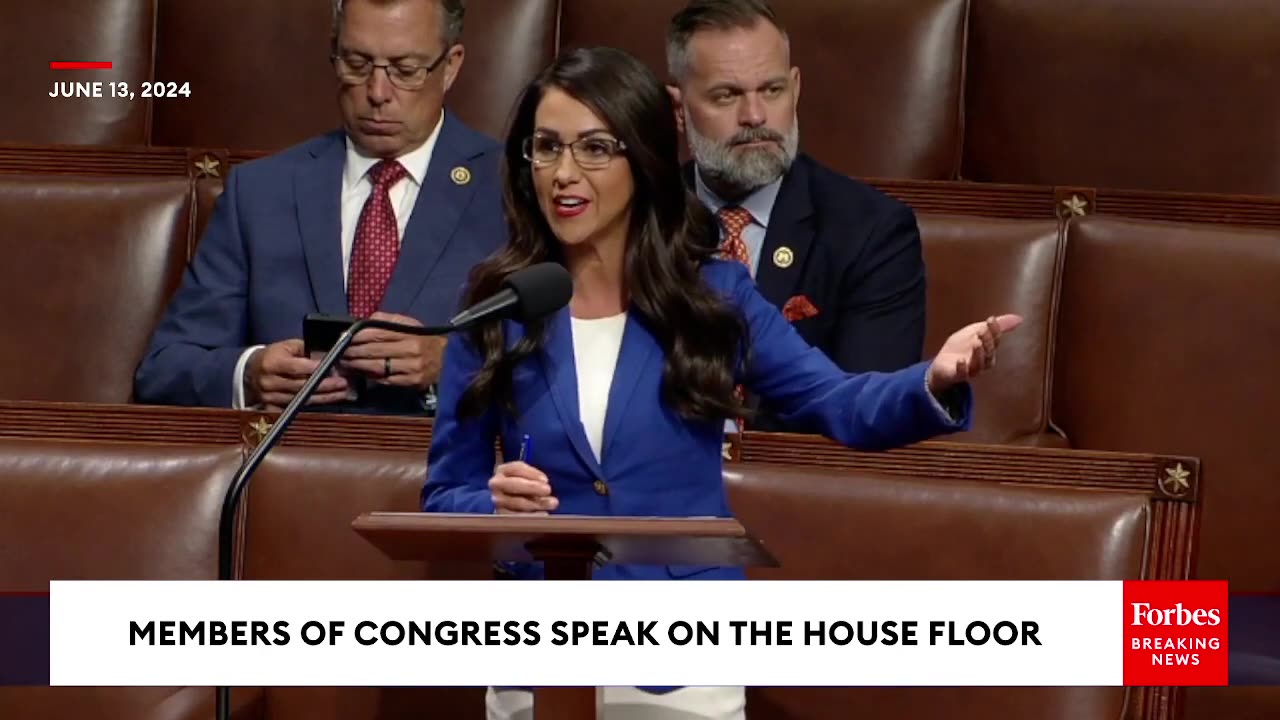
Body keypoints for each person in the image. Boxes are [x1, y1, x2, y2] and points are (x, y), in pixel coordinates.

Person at [422, 46, 1020, 719]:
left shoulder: (713, 296)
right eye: (546, 148)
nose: (565, 173)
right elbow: (446, 494)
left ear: (643, 160)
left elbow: (837, 400)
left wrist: (931, 381)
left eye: (594, 149)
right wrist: (493, 513)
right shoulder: (498, 307)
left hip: (682, 662)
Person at [134, 0, 504, 415]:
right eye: (357, 64)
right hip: (291, 465)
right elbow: (164, 369)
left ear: (451, 66)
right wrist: (249, 373)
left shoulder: (509, 190)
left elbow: (568, 364)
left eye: (405, 71)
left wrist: (453, 362)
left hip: (442, 469)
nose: (377, 93)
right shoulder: (260, 193)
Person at [666, 0, 928, 431]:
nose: (755, 116)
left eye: (772, 90)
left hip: (799, 487)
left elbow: (865, 409)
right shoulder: (641, 220)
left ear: (796, 88)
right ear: (679, 109)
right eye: (727, 95)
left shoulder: (871, 231)